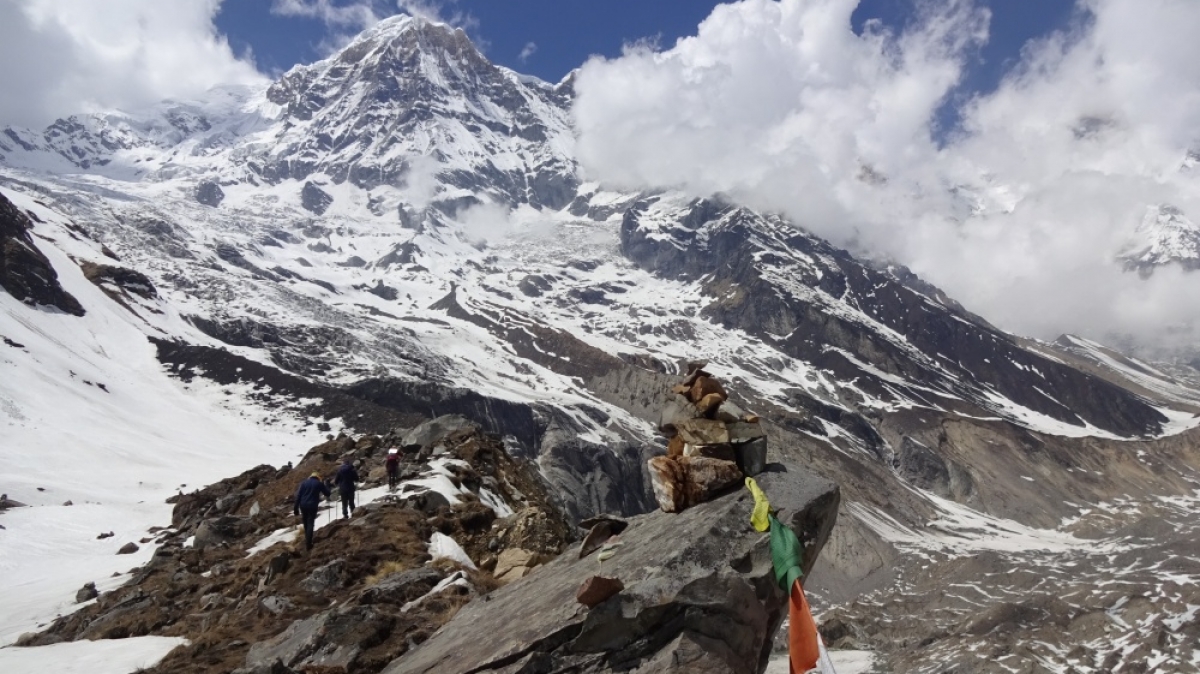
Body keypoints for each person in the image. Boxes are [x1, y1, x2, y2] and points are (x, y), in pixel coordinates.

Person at [293, 471, 330, 551]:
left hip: (303, 505)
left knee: (305, 522)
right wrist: (327, 485)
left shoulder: (303, 483)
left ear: (310, 477)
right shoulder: (319, 483)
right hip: (312, 505)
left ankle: (307, 539)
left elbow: (298, 495)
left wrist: (295, 508)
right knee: (310, 523)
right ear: (318, 477)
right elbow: (327, 493)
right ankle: (308, 544)